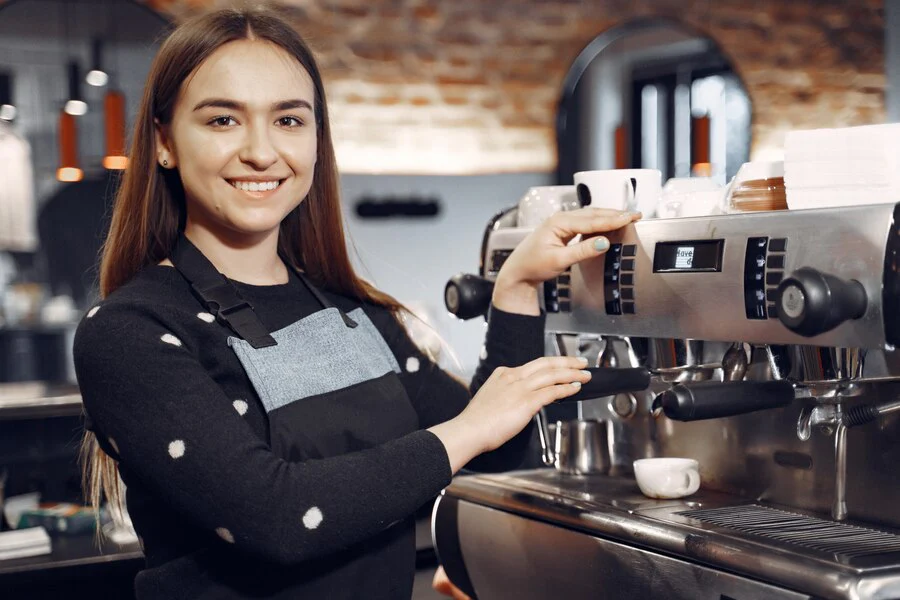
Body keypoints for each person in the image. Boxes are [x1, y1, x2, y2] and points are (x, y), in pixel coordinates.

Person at [73, 7, 641, 600]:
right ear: (164, 142)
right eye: (223, 120)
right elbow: (277, 517)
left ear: (316, 140)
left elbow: (492, 454)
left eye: (289, 120)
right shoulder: (129, 331)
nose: (262, 152)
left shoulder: (353, 315)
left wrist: (516, 293)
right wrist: (467, 431)